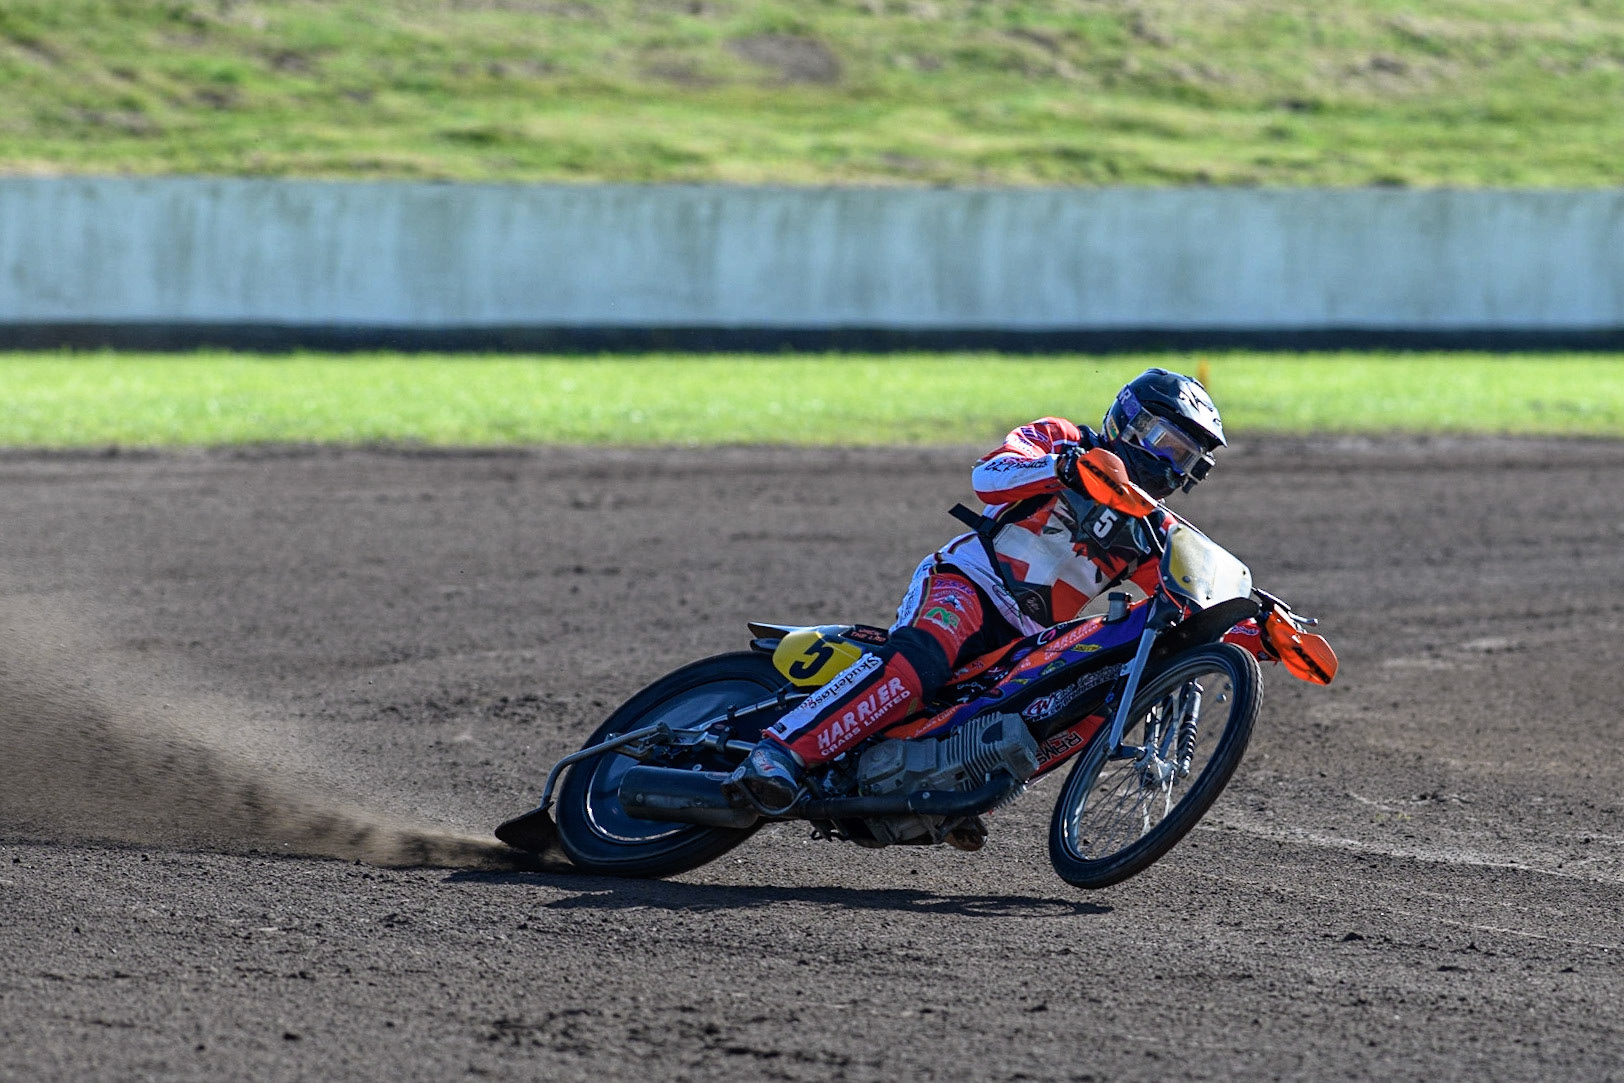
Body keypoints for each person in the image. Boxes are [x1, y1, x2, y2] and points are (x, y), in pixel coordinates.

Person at [721, 367, 1228, 817]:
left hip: (1026, 638)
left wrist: (1257, 627)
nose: (1172, 466)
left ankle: (944, 799)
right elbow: (989, 475)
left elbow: (1186, 596)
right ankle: (779, 752)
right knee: (918, 667)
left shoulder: (1155, 531)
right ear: (1131, 421)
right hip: (968, 583)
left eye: (1187, 460)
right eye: (1168, 444)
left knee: (1070, 702)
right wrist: (1062, 468)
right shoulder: (1064, 438)